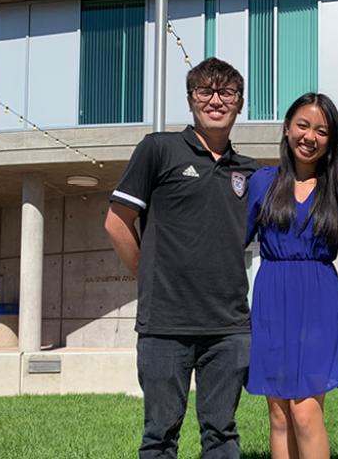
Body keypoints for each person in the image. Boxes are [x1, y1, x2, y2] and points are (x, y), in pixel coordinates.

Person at [104, 57, 257, 459]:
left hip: (229, 327)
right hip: (165, 325)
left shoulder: (249, 172)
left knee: (222, 435)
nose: (215, 100)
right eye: (205, 91)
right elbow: (117, 223)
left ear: (240, 103)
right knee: (159, 436)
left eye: (226, 92)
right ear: (190, 99)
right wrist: (147, 276)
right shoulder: (159, 149)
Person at [245, 93, 338, 459]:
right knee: (278, 415)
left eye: (321, 130)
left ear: (331, 140)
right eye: (302, 125)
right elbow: (231, 243)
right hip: (272, 299)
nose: (310, 136)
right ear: (287, 129)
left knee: (305, 412)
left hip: (319, 303)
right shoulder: (262, 182)